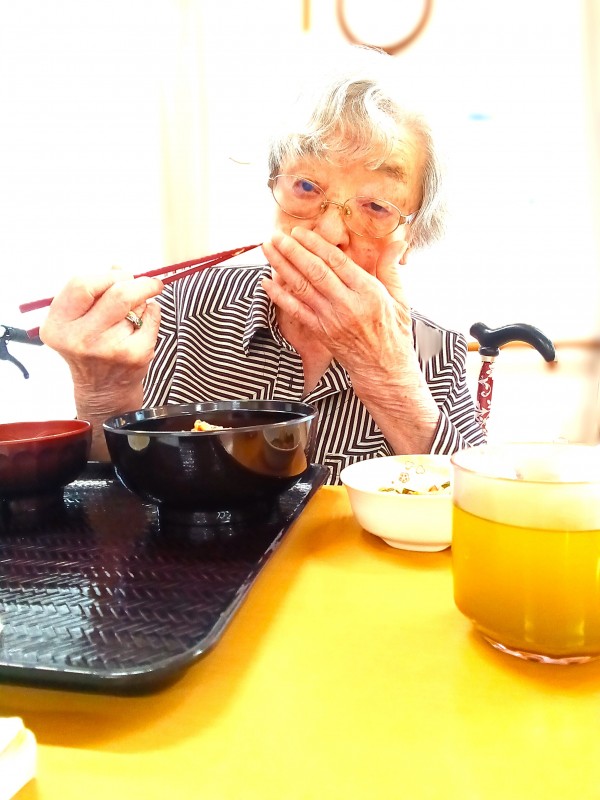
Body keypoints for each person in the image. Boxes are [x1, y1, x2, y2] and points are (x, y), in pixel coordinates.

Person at [40, 44, 485, 484]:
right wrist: (103, 396)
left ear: (412, 237)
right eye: (307, 186)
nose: (329, 232)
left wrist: (389, 378)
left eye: (376, 206)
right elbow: (104, 506)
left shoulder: (435, 352)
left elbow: (484, 508)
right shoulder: (175, 314)